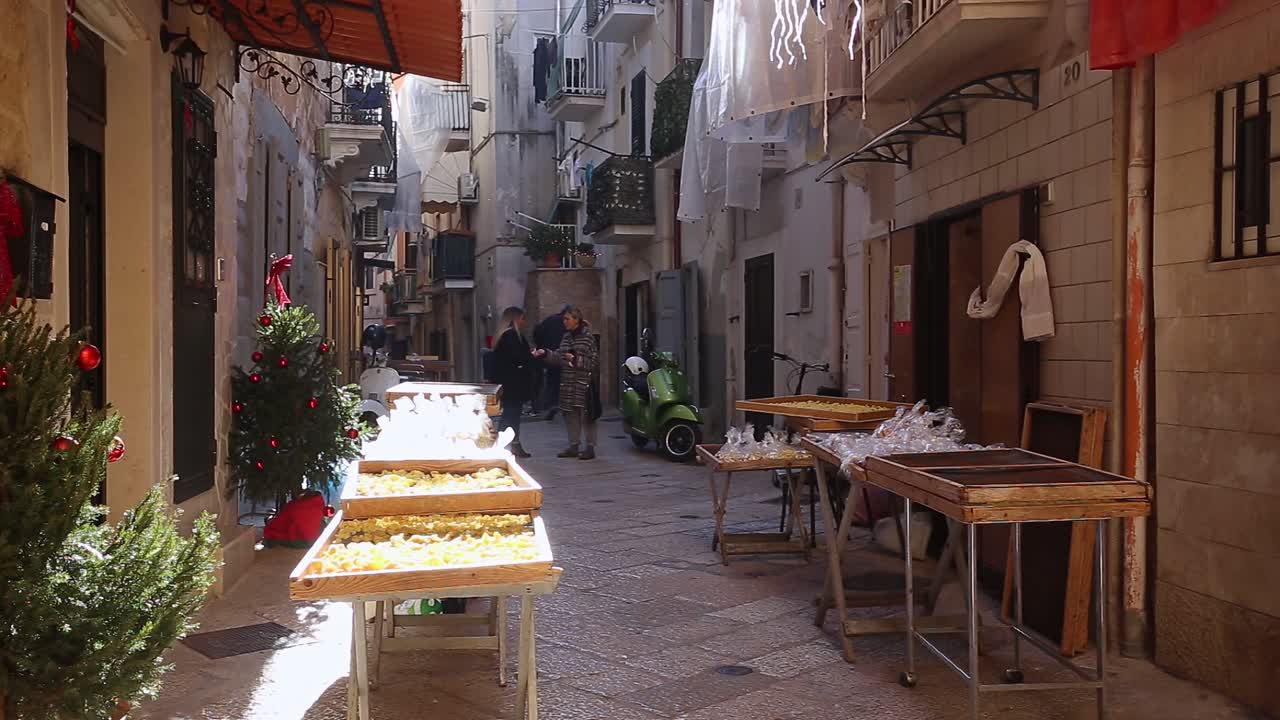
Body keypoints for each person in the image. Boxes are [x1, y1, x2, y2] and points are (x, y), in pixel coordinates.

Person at [536, 306, 600, 460]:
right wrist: (545, 353)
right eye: (564, 319)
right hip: (567, 383)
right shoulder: (566, 337)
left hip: (583, 384)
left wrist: (576, 359)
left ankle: (590, 447)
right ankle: (573, 446)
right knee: (569, 414)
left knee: (587, 415)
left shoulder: (588, 338)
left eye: (567, 319)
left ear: (576, 320)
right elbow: (559, 356)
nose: (564, 322)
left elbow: (594, 362)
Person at [492, 306, 536, 458]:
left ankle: (511, 443)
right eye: (523, 318)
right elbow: (518, 357)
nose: (524, 322)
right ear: (516, 319)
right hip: (514, 383)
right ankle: (506, 444)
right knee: (511, 415)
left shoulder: (503, 336)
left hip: (508, 382)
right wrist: (531, 355)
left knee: (511, 414)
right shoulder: (511, 336)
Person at [533, 305, 570, 419]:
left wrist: (541, 347)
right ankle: (565, 406)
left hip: (549, 354)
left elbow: (537, 332)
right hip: (565, 356)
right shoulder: (569, 324)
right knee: (566, 382)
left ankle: (551, 404)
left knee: (552, 381)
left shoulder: (549, 320)